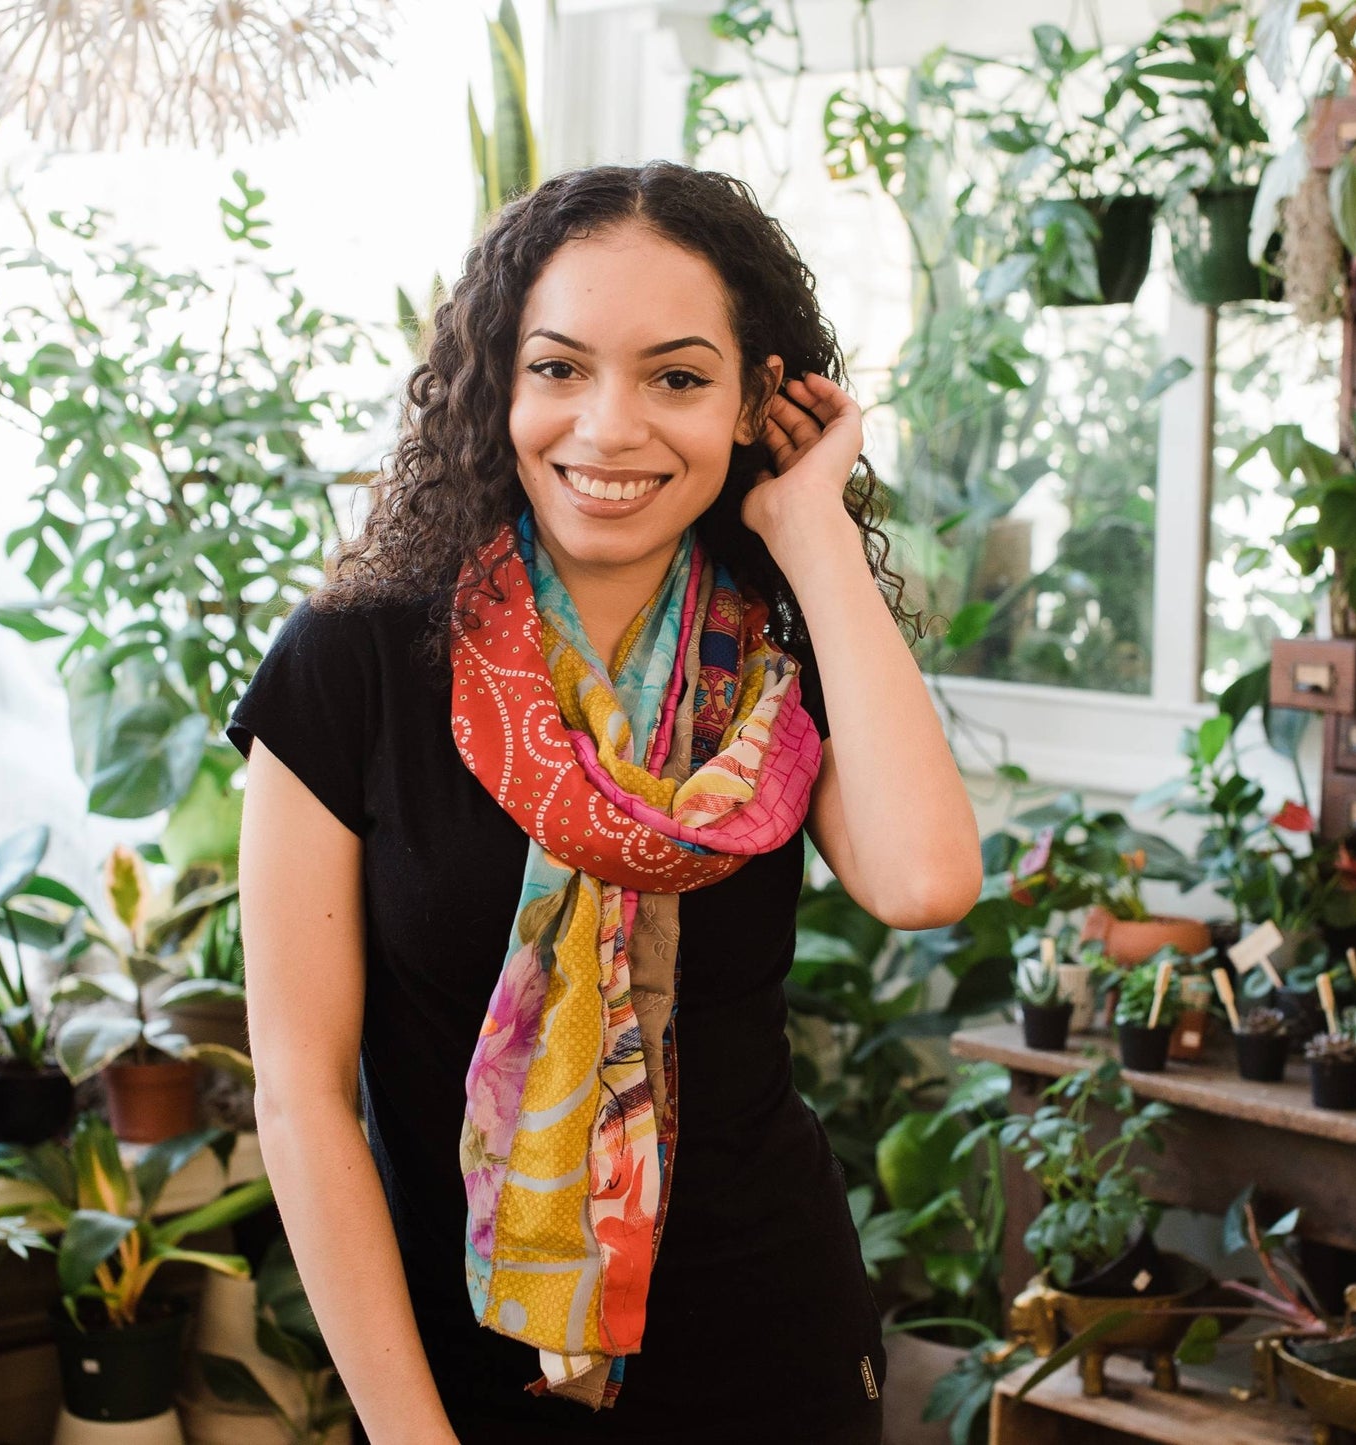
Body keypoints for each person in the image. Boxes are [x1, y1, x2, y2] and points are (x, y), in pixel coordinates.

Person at [227, 160, 983, 1445]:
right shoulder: (351, 662)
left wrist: (810, 529)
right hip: (453, 1369)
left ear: (754, 400)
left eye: (677, 377)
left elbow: (922, 880)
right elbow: (299, 1091)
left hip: (768, 1348)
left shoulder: (780, 653)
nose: (608, 427)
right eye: (559, 368)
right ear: (496, 386)